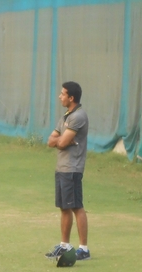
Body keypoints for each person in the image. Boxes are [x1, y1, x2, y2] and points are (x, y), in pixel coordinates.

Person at [45, 81, 91, 261]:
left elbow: (62, 143)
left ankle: (84, 249)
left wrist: (61, 141)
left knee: (76, 207)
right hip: (62, 168)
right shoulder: (66, 116)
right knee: (64, 208)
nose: (60, 96)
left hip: (72, 169)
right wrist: (60, 141)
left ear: (71, 98)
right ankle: (64, 246)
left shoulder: (78, 116)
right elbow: (51, 141)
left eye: (63, 94)